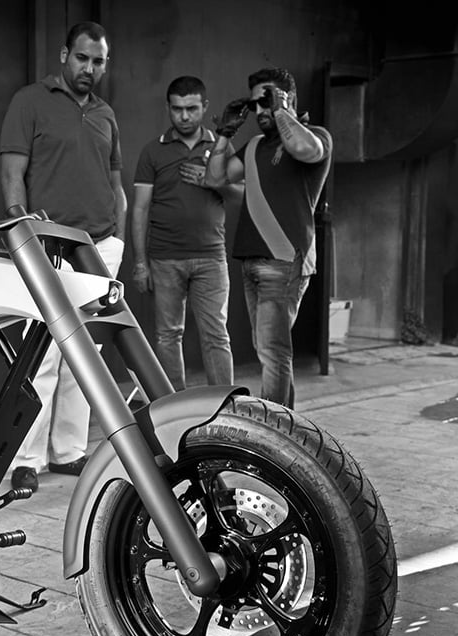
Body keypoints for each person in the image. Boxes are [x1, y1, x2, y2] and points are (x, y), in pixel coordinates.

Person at [0, 21, 126, 491]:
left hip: (100, 246)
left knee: (86, 354)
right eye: (82, 58)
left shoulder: (106, 113)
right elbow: (12, 175)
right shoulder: (29, 101)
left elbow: (115, 183)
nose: (89, 68)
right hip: (49, 245)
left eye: (98, 61)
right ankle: (25, 459)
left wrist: (118, 240)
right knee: (43, 356)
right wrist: (23, 231)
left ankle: (69, 451)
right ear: (64, 55)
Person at [205, 67, 332, 408]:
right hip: (251, 259)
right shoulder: (255, 146)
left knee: (273, 352)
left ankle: (274, 426)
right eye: (256, 104)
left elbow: (304, 149)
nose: (260, 110)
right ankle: (284, 426)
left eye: (268, 100)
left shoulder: (316, 136)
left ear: (288, 99)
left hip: (284, 260)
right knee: (268, 349)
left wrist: (281, 111)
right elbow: (215, 178)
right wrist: (224, 134)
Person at [131, 75, 241, 391]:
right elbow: (140, 208)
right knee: (168, 335)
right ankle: (175, 406)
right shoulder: (153, 151)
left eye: (191, 109)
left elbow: (242, 196)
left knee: (216, 334)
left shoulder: (221, 147)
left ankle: (224, 404)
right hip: (165, 258)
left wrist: (212, 180)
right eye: (177, 109)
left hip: (211, 257)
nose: (184, 116)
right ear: (168, 108)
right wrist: (140, 263)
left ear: (204, 107)